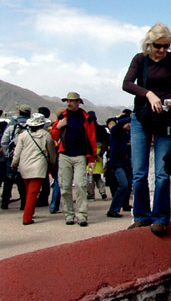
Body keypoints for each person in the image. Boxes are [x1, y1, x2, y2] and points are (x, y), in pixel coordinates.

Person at [122, 22, 171, 236]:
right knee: (139, 172)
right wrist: (148, 93)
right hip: (141, 117)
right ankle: (141, 216)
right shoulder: (139, 59)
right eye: (158, 46)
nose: (161, 51)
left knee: (162, 173)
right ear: (149, 45)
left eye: (166, 46)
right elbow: (127, 83)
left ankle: (160, 218)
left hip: (165, 118)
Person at [50, 92, 97, 226]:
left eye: (72, 101)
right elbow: (53, 136)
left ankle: (81, 215)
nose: (69, 103)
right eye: (67, 101)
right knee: (64, 187)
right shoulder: (62, 116)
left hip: (81, 155)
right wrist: (58, 127)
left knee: (81, 185)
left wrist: (92, 158)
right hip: (65, 155)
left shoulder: (86, 118)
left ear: (78, 102)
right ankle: (69, 214)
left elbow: (92, 138)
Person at [11, 113, 56, 225]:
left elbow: (17, 152)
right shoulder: (46, 135)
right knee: (33, 193)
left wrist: (14, 164)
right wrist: (52, 162)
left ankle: (30, 212)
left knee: (28, 192)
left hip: (24, 166)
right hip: (39, 167)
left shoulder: (24, 135)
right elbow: (51, 152)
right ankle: (27, 217)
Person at [1, 104, 31, 210]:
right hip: (26, 157)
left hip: (11, 157)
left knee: (9, 180)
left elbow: (4, 142)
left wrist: (7, 154)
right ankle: (24, 204)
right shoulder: (31, 127)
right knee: (22, 180)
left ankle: (5, 202)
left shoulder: (12, 127)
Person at [106, 115, 132, 218]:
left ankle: (124, 204)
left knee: (128, 184)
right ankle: (113, 209)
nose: (129, 125)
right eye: (127, 123)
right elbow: (120, 124)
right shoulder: (116, 132)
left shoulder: (127, 134)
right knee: (123, 184)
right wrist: (130, 117)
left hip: (125, 163)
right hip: (116, 163)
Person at [86, 111, 108, 200]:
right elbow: (105, 143)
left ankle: (91, 194)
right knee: (98, 175)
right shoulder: (101, 129)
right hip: (99, 153)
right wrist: (100, 154)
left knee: (90, 175)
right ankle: (102, 191)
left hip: (90, 153)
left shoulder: (87, 129)